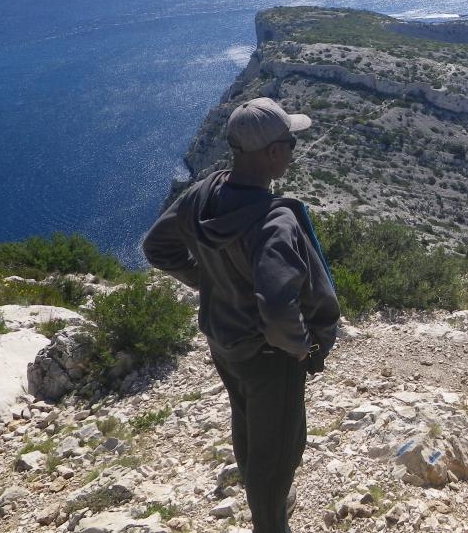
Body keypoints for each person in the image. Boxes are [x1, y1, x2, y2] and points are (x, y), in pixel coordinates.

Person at [143, 97, 340, 533]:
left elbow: (157, 248)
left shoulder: (203, 193)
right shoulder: (274, 223)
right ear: (272, 153)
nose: (293, 149)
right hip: (270, 357)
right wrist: (303, 348)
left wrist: (208, 281)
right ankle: (270, 526)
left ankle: (263, 509)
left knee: (249, 430)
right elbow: (276, 305)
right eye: (289, 142)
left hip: (225, 343)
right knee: (280, 453)